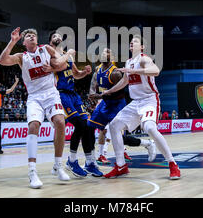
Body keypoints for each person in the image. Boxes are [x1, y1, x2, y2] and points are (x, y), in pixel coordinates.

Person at [0, 27, 72, 189]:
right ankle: (32, 171)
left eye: (33, 35)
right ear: (24, 42)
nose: (31, 36)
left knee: (60, 122)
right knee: (33, 126)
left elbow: (64, 64)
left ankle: (57, 165)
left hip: (51, 94)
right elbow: (2, 61)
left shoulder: (46, 49)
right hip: (35, 97)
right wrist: (12, 41)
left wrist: (52, 68)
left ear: (37, 40)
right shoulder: (21, 57)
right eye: (28, 36)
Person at [100, 36, 179, 179]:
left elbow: (156, 71)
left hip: (149, 100)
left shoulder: (144, 59)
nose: (132, 43)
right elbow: (125, 81)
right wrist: (109, 91)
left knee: (149, 128)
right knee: (114, 126)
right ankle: (121, 166)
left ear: (142, 47)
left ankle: (172, 164)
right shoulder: (128, 62)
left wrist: (135, 71)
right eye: (131, 41)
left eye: (135, 41)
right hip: (135, 102)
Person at [88, 48, 156, 166]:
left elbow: (119, 92)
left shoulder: (115, 73)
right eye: (103, 53)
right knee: (89, 127)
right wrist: (93, 94)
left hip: (117, 104)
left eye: (107, 52)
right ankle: (95, 158)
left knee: (119, 136)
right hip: (104, 102)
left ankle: (146, 143)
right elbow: (93, 85)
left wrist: (101, 95)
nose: (104, 54)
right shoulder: (97, 70)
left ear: (112, 58)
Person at [49, 32, 102, 178]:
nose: (58, 37)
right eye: (55, 36)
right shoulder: (50, 53)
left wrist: (84, 72)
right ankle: (71, 160)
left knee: (88, 125)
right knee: (79, 124)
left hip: (73, 94)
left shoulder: (68, 54)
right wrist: (69, 54)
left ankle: (90, 162)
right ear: (51, 40)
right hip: (61, 94)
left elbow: (75, 74)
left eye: (60, 35)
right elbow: (56, 66)